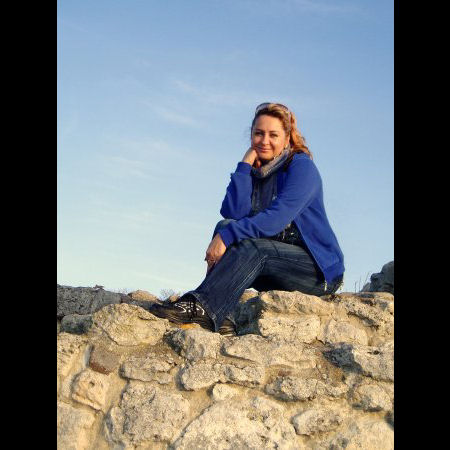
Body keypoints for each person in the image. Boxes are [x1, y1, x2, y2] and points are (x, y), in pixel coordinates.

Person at [149, 102, 344, 336]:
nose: (264, 141)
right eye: (259, 133)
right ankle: (223, 317)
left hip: (315, 271)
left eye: (273, 135)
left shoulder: (302, 167)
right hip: (274, 261)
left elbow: (276, 219)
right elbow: (233, 213)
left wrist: (227, 236)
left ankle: (202, 307)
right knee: (225, 226)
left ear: (287, 139)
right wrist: (244, 166)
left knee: (249, 244)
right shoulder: (257, 171)